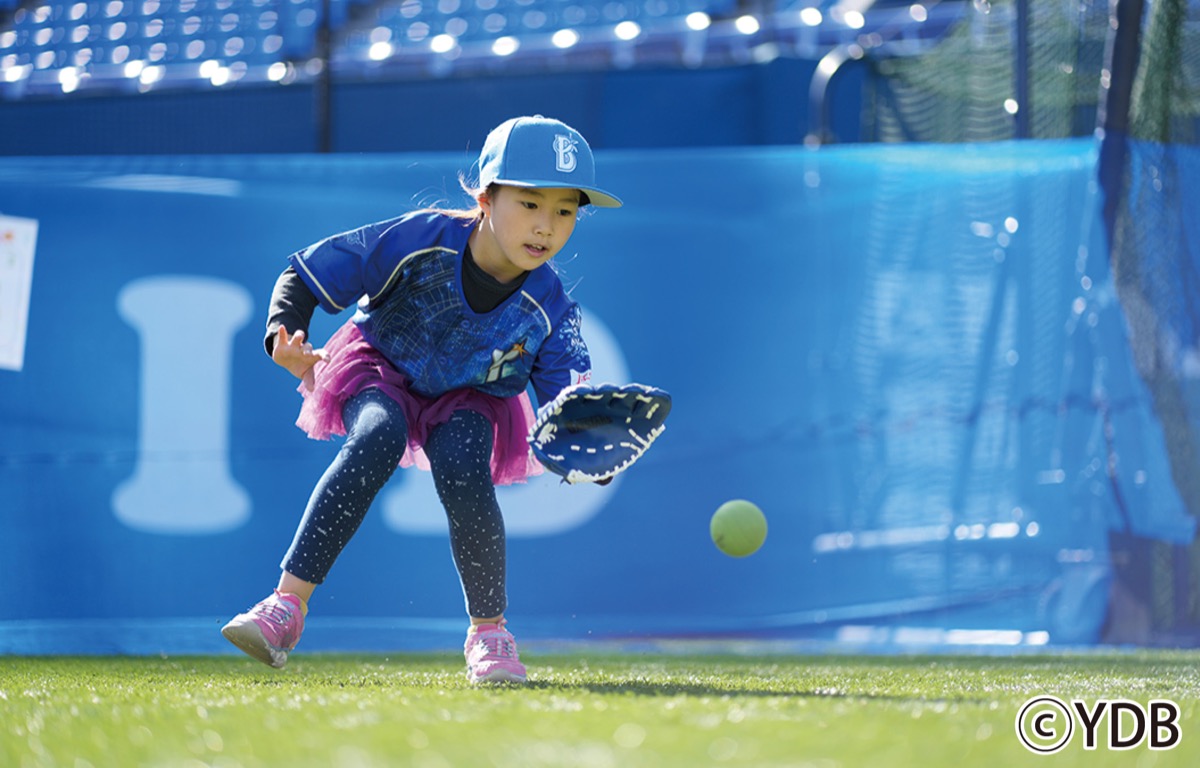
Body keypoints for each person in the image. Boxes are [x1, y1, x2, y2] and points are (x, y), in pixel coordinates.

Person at [221, 115, 622, 684]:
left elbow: (568, 407)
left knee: (463, 463)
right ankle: (284, 609)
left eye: (565, 210)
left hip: (473, 397)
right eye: (530, 203)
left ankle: (490, 636)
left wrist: (591, 455)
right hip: (380, 366)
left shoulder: (551, 307)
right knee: (377, 436)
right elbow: (303, 274)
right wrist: (285, 336)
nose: (547, 226)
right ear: (485, 197)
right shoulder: (418, 240)